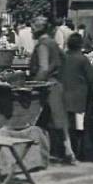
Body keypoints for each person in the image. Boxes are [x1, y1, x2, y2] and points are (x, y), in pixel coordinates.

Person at [30, 16, 77, 163]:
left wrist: (32, 83)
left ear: (38, 28)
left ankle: (37, 155)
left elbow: (43, 68)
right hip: (57, 84)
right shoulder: (54, 43)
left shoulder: (43, 45)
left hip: (46, 86)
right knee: (59, 121)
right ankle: (68, 151)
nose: (30, 29)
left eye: (32, 26)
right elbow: (63, 59)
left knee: (36, 120)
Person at [61, 32, 93, 160]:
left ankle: (68, 150)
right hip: (80, 97)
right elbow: (90, 78)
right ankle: (79, 152)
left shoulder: (63, 57)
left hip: (64, 95)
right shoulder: (83, 59)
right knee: (79, 127)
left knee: (67, 126)